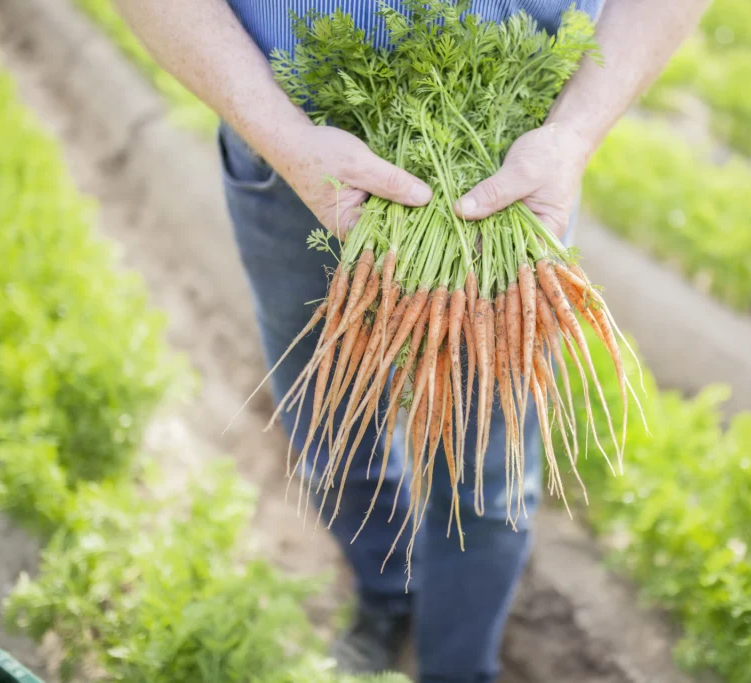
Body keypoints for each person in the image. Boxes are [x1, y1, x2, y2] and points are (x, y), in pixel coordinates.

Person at [114, 1, 707, 681]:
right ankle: (386, 591)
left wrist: (574, 134)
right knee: (330, 425)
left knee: (486, 469)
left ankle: (456, 666)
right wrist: (284, 136)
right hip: (293, 148)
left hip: (513, 170)